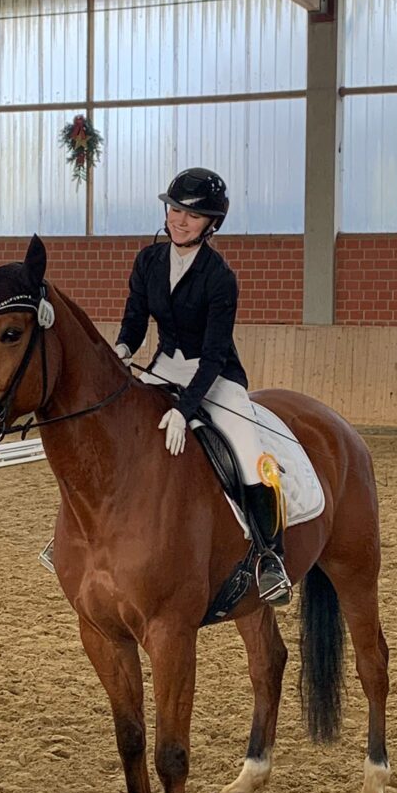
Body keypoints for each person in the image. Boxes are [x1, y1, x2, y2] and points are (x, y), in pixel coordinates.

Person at [114, 167, 292, 607]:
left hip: (216, 376)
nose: (179, 221)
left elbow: (213, 356)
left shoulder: (219, 277)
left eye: (192, 216)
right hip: (165, 366)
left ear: (212, 223)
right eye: (175, 210)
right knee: (116, 433)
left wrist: (183, 410)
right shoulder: (148, 261)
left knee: (250, 455)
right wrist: (122, 349)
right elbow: (135, 320)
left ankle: (270, 556)